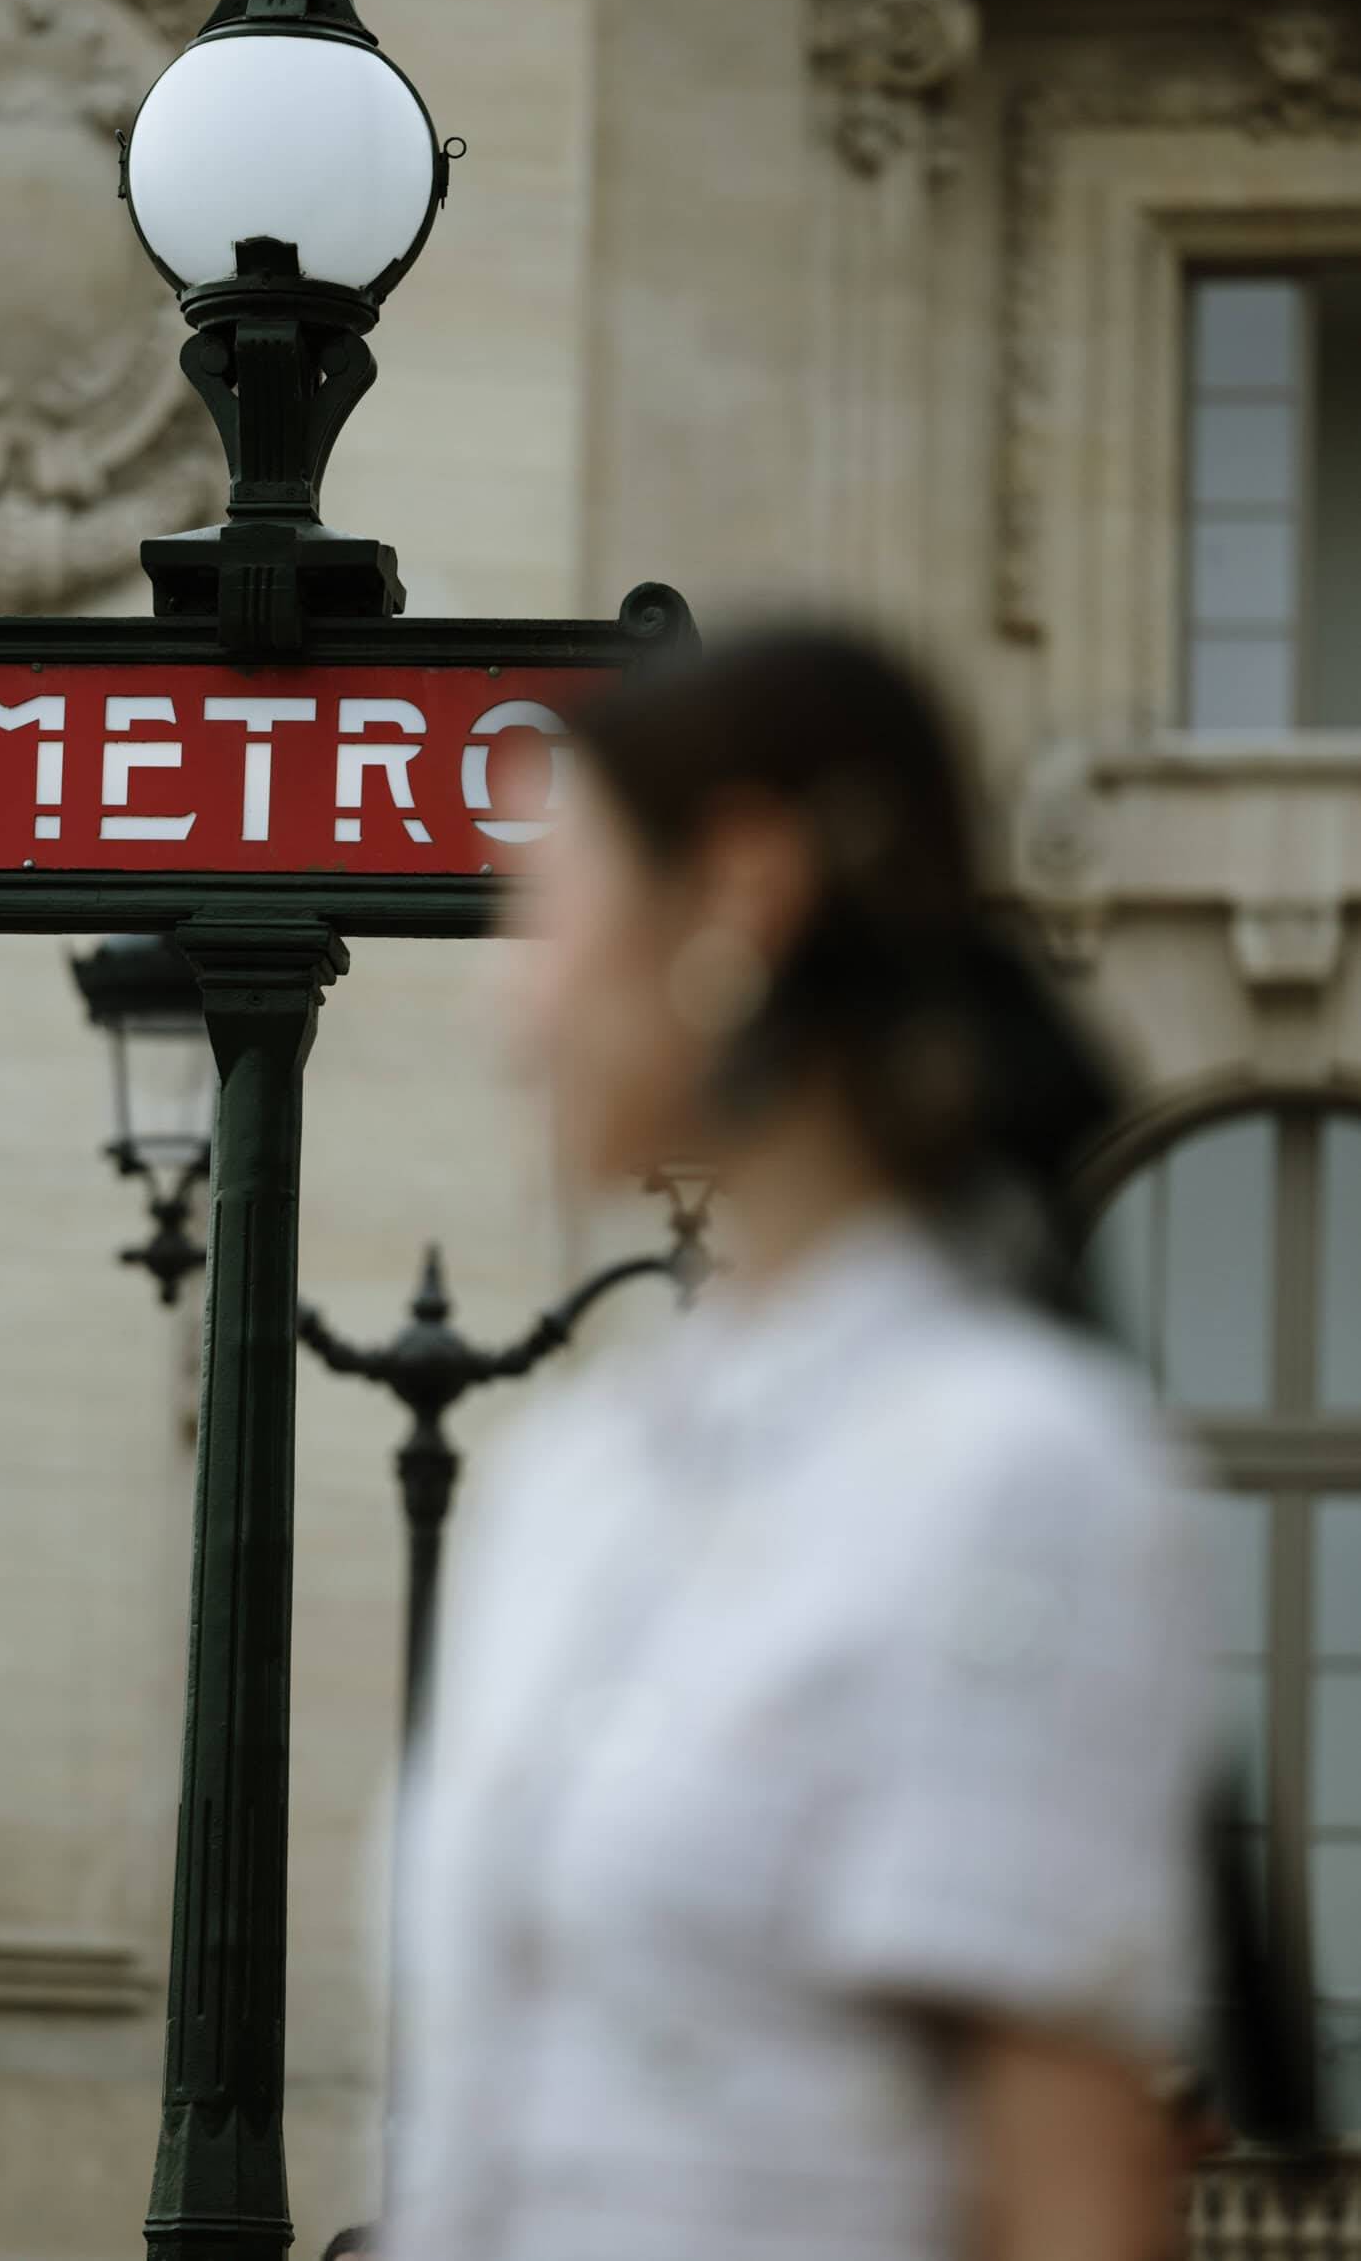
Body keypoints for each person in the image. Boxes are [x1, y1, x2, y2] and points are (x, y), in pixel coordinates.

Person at [387, 625, 1220, 2261]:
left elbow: (1069, 2206)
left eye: (545, 912)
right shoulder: (564, 1478)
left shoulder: (1017, 1476)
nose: (508, 1003)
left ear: (740, 893)